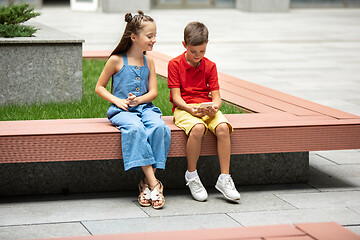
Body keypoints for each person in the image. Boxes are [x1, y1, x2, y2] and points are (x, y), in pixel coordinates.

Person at [95, 10, 171, 209]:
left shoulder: (150, 61)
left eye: (155, 35)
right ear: (134, 37)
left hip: (145, 108)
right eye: (150, 36)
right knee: (135, 129)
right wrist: (117, 101)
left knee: (159, 128)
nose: (154, 40)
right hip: (122, 112)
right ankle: (155, 184)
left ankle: (146, 183)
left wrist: (139, 100)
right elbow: (99, 87)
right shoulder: (116, 60)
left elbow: (153, 92)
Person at [167, 21, 240, 202]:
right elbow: (176, 97)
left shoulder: (210, 66)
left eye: (202, 51)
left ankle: (225, 178)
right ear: (184, 45)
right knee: (198, 129)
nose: (198, 55)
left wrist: (214, 107)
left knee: (223, 127)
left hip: (205, 108)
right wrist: (189, 108)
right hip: (184, 108)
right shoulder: (174, 64)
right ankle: (191, 175)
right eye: (193, 51)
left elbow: (217, 97)